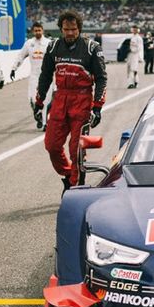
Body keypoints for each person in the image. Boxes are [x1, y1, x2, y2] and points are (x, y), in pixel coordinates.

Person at [35, 11, 107, 192]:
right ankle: (68, 174)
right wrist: (39, 101)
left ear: (79, 29)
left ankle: (74, 188)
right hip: (60, 100)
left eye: (73, 29)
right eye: (66, 29)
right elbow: (45, 76)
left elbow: (101, 78)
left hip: (82, 101)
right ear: (61, 29)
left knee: (76, 149)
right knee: (51, 145)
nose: (69, 33)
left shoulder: (92, 47)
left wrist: (97, 107)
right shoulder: (53, 47)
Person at [10, 22, 52, 129]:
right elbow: (20, 56)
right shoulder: (29, 43)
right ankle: (37, 114)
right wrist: (14, 69)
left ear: (43, 30)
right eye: (36, 30)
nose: (38, 32)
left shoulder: (49, 43)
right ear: (33, 31)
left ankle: (44, 123)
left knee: (46, 100)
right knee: (32, 99)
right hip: (34, 76)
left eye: (39, 30)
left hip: (47, 76)